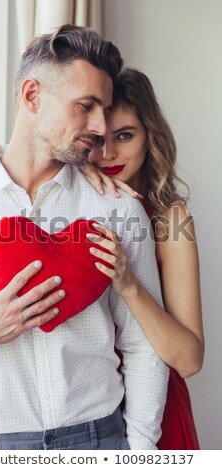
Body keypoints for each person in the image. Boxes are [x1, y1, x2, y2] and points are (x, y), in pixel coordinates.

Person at [0, 26, 169, 450]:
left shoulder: (118, 210)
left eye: (104, 109)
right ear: (32, 96)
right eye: (86, 106)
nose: (100, 127)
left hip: (101, 440)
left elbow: (143, 346)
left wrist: (139, 452)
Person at [81, 67, 204, 449]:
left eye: (125, 135)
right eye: (97, 139)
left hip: (157, 416)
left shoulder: (170, 221)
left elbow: (189, 359)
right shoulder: (67, 204)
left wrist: (130, 283)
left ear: (150, 135)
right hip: (82, 413)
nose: (108, 153)